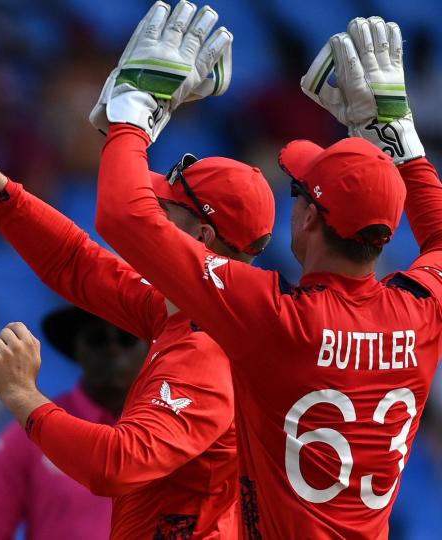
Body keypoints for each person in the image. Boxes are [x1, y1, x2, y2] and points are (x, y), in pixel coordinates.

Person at [48, 4, 439, 538]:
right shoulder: (420, 307)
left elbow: (123, 217)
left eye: (299, 191)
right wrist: (400, 139)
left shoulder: (274, 315)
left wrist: (135, 105)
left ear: (305, 218)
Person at [0, 12, 273, 534]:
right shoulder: (188, 309)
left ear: (203, 239)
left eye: (165, 208)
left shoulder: (212, 351)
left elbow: (116, 465)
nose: (152, 212)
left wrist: (22, 396)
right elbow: (75, 263)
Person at [0, 306, 148, 540]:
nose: (112, 349)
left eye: (127, 338)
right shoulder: (24, 436)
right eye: (97, 338)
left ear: (149, 347)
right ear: (76, 346)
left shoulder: (174, 429)